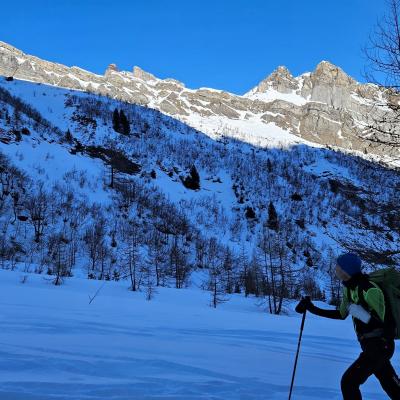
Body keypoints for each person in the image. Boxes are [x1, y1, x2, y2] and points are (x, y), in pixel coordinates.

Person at [296, 253, 400, 399]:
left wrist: (360, 314)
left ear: (346, 270)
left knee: (349, 382)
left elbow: (388, 325)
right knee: (391, 385)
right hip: (369, 345)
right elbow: (341, 314)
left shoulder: (369, 289)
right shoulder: (349, 289)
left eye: (338, 266)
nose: (335, 269)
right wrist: (312, 308)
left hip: (380, 346)